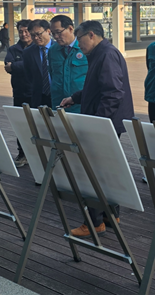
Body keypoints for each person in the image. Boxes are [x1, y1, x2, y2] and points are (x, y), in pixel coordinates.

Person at [59, 20, 134, 238]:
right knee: (106, 170)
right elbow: (95, 87)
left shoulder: (106, 54)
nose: (78, 44)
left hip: (105, 122)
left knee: (93, 171)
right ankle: (111, 215)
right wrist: (75, 97)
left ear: (91, 35)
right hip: (107, 121)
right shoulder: (101, 53)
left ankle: (93, 222)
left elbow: (113, 92)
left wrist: (98, 124)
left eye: (80, 39)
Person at [5, 19, 34, 167]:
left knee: (39, 124)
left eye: (26, 31)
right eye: (21, 31)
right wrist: (27, 66)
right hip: (20, 92)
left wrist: (16, 66)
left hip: (37, 93)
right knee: (21, 125)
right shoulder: (13, 49)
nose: (24, 34)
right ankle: (22, 154)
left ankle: (39, 155)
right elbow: (7, 67)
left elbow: (37, 65)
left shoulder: (38, 47)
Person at [48, 15, 88, 113]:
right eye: (53, 34)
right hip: (59, 103)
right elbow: (52, 74)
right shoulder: (53, 50)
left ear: (70, 29)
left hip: (81, 103)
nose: (56, 37)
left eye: (58, 32)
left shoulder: (84, 48)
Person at [23, 19, 54, 108]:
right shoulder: (28, 52)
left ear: (48, 31)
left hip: (58, 95)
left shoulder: (59, 48)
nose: (36, 38)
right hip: (39, 97)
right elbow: (28, 76)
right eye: (33, 35)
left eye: (38, 34)